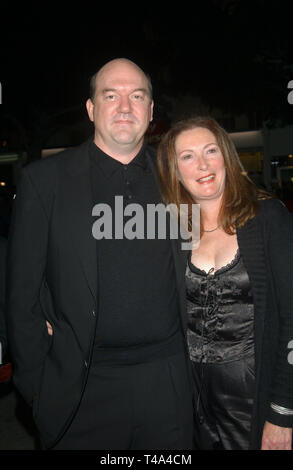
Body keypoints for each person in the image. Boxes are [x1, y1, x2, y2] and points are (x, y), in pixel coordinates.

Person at [6, 58, 194, 450]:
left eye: (137, 96)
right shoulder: (45, 183)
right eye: (111, 95)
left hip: (170, 386)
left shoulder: (180, 177)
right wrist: (39, 389)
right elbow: (21, 300)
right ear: (91, 110)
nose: (125, 106)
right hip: (80, 392)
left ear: (151, 110)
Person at [157, 116, 293, 450]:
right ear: (174, 170)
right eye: (187, 156)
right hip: (193, 399)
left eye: (210, 151)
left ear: (226, 157)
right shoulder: (172, 229)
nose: (202, 164)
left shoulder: (268, 218)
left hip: (253, 394)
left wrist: (282, 411)